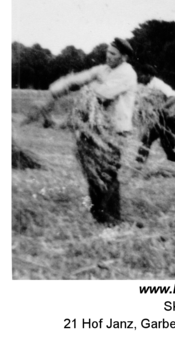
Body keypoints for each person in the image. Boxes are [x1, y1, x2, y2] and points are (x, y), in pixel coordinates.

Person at [49, 38, 137, 225]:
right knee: (93, 172)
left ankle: (112, 216)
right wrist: (60, 87)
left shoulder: (127, 74)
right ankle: (100, 214)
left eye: (113, 54)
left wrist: (86, 88)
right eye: (108, 51)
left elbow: (102, 95)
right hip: (95, 129)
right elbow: (81, 77)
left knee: (109, 173)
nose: (108, 56)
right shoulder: (103, 69)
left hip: (115, 131)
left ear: (124, 57)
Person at [136, 65, 175, 164]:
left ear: (148, 75)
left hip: (169, 119)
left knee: (167, 146)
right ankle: (139, 164)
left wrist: (161, 108)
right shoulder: (148, 85)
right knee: (146, 139)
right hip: (159, 119)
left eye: (142, 75)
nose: (141, 77)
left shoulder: (158, 84)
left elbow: (173, 96)